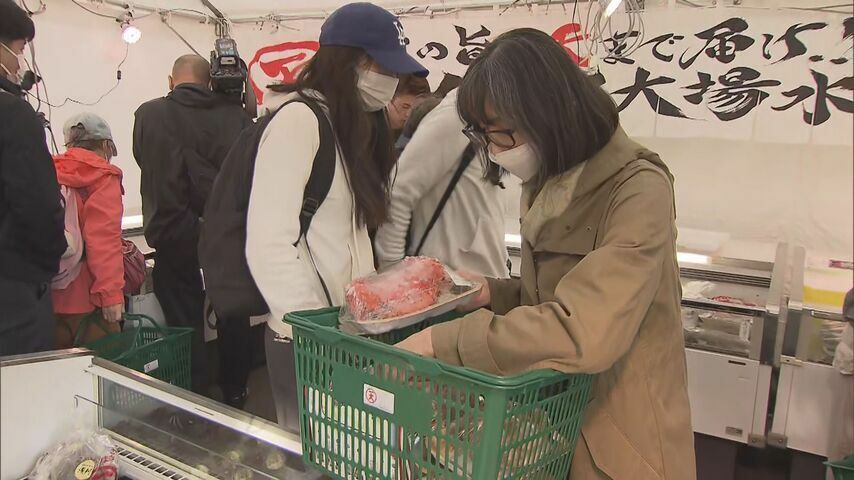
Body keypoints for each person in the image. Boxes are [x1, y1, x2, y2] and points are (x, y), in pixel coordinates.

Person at [397, 29, 696, 480]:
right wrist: (491, 293)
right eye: (485, 136)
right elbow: (553, 294)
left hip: (621, 440)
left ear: (547, 114)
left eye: (500, 133)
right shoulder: (551, 178)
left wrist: (444, 343)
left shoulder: (638, 188)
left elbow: (586, 327)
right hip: (556, 426)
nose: (496, 152)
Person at [245, 2, 427, 433]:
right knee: (310, 454)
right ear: (351, 62)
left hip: (345, 334)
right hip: (307, 338)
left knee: (349, 450)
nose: (390, 81)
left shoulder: (346, 125)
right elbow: (268, 243)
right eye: (382, 67)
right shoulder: (298, 122)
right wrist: (315, 331)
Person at [133, 55, 252, 400]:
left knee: (183, 321)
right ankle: (236, 390)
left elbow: (143, 159)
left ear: (171, 81)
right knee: (233, 314)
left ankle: (193, 395)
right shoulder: (237, 116)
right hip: (226, 234)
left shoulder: (149, 114)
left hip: (172, 233)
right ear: (210, 81)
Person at [375, 89, 509, 278]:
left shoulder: (493, 118)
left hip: (486, 286)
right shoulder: (457, 114)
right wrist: (395, 275)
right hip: (447, 288)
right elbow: (398, 193)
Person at [0, 0, 67, 356]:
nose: (20, 60)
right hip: (13, 288)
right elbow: (39, 205)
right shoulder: (12, 114)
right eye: (20, 48)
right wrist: (50, 258)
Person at [52, 114, 125, 348]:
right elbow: (103, 240)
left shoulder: (49, 170)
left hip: (47, 297)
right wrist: (111, 295)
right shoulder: (102, 176)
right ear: (105, 145)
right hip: (87, 302)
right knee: (100, 376)